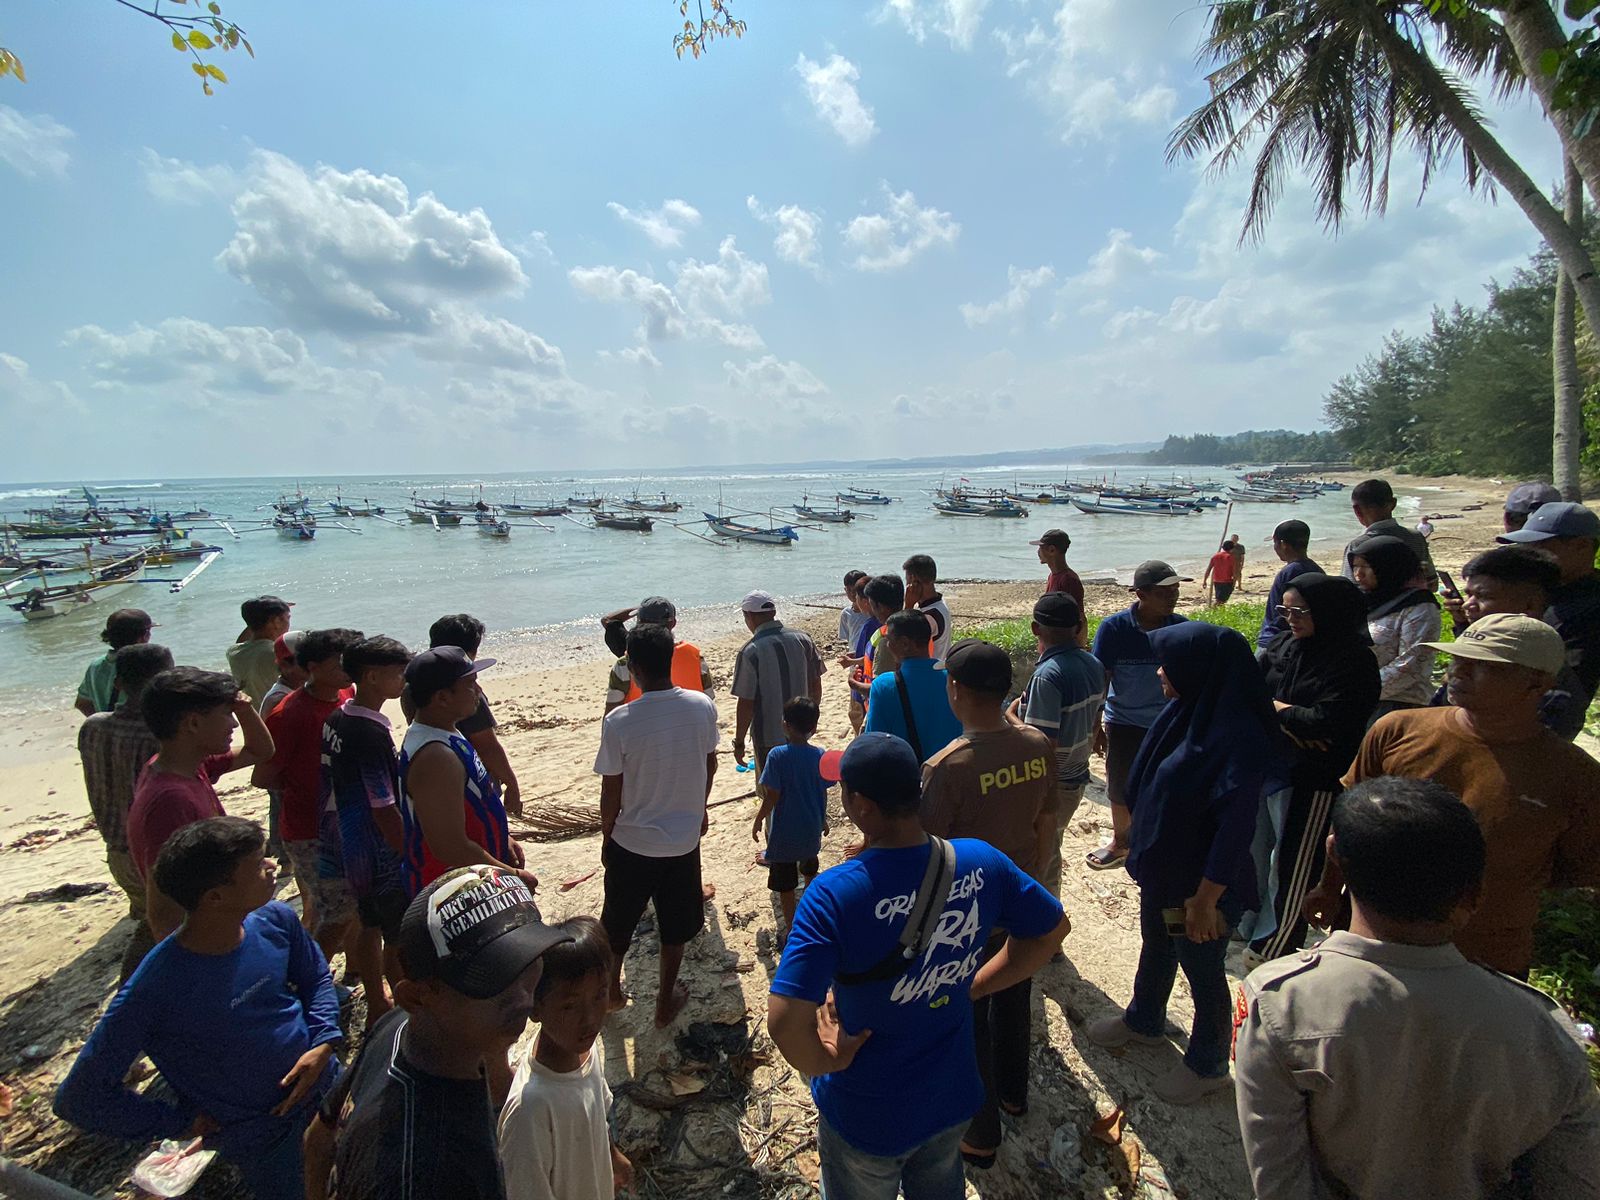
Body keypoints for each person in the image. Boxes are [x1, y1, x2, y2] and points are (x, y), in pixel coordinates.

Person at [1237, 777, 1600, 1200]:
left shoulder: (1282, 1004)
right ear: (1475, 895)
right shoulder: (1547, 1032)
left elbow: (1281, 1183)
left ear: (1333, 854)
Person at [767, 733, 1070, 1199]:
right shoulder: (980, 861)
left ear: (861, 806)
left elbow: (786, 1022)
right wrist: (973, 984)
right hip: (952, 1097)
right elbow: (1051, 931)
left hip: (869, 1113)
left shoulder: (832, 896)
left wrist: (830, 1058)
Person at [55, 817, 340, 1200]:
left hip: (332, 1089)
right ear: (214, 898)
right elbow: (80, 1097)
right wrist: (179, 1121)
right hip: (267, 1136)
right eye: (258, 864)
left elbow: (316, 979)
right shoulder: (154, 988)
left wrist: (323, 1041)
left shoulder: (276, 920)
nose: (273, 866)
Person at [1310, 614, 1600, 978]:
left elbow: (1574, 869)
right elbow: (1350, 824)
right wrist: (1327, 889)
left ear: (1536, 682)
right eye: (1457, 659)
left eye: (1482, 665)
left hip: (1485, 959)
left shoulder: (1573, 774)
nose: (1456, 672)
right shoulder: (1397, 730)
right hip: (1374, 946)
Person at [1085, 624, 1286, 1105]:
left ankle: (1209, 1063)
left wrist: (1206, 898)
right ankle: (1145, 1019)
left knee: (1202, 967)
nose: (1159, 672)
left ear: (1198, 670)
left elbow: (1235, 829)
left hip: (1201, 885)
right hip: (1166, 871)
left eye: (1168, 665)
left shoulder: (1236, 737)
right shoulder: (1187, 712)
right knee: (1157, 943)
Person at [307, 866, 572, 1200]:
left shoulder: (397, 1027)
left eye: (528, 964)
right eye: (492, 982)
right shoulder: (429, 1170)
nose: (523, 997)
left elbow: (318, 1138)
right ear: (418, 997)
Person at [920, 639, 1056, 1167]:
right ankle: (1013, 1094)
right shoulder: (1036, 743)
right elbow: (1048, 820)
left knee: (967, 1007)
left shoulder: (948, 766)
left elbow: (927, 854)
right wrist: (1036, 874)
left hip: (965, 910)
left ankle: (979, 1133)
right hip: (1020, 889)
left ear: (955, 690)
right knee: (1014, 988)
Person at [1245, 575, 1379, 962]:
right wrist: (1288, 716)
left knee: (1294, 864)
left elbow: (1326, 724)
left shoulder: (1353, 660)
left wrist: (1276, 710)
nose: (1290, 618)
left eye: (1299, 611)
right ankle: (1248, 922)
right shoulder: (1286, 643)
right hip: (1270, 764)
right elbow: (1251, 689)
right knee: (1255, 851)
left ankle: (1276, 941)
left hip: (1313, 777)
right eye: (1285, 610)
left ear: (1328, 612)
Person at [595, 624, 720, 1028]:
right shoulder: (701, 706)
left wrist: (606, 831)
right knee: (676, 926)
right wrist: (699, 807)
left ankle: (612, 992)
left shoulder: (619, 721)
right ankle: (664, 1002)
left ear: (631, 666)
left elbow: (611, 789)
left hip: (632, 841)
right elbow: (709, 763)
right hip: (683, 840)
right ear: (671, 658)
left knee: (617, 923)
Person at [129, 667, 275, 940]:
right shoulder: (170, 800)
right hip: (205, 933)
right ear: (193, 724)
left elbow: (260, 751)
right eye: (226, 714)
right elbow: (163, 908)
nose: (233, 724)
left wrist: (245, 709)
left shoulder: (190, 765)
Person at [498, 917, 633, 1200]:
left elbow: (597, 1116)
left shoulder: (585, 1049)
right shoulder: (530, 1108)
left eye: (599, 996)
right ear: (535, 1008)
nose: (589, 1018)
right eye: (569, 1006)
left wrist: (612, 1157)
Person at [321, 635, 413, 1029]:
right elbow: (384, 806)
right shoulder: (370, 733)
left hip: (345, 835)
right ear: (373, 677)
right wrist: (408, 850)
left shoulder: (337, 717)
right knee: (394, 933)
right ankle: (403, 1001)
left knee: (368, 921)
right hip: (376, 849)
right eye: (398, 674)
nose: (404, 681)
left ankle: (377, 998)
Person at [399, 647, 530, 897]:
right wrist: (512, 877)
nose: (479, 691)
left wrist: (503, 839)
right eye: (470, 684)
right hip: (454, 891)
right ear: (442, 698)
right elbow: (450, 847)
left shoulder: (446, 732)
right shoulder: (435, 757)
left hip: (476, 875)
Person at [258, 628, 363, 938]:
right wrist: (310, 785)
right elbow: (264, 776)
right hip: (310, 830)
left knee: (358, 906)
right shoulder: (288, 713)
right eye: (339, 664)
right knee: (332, 914)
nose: (348, 671)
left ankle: (356, 970)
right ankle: (311, 976)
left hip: (348, 820)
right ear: (313, 668)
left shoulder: (346, 694)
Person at [78, 643, 175, 979]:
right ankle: (132, 998)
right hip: (154, 853)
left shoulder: (93, 726)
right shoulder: (161, 737)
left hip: (117, 851)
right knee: (166, 933)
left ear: (118, 683)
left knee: (152, 925)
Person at [1085, 560, 1189, 871]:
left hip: (1168, 720)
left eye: (1175, 590)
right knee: (1120, 785)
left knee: (1167, 783)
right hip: (1124, 720)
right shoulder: (1114, 628)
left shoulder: (1180, 627)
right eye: (1164, 592)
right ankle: (1122, 842)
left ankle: (1160, 839)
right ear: (1141, 594)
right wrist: (1095, 724)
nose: (1173, 597)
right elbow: (1101, 677)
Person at [1436, 545, 1586, 738]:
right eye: (1468, 594)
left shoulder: (1551, 691)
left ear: (1529, 605)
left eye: (1483, 596)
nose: (1467, 604)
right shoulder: (1476, 655)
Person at [1013, 593, 1106, 894]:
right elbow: (1094, 719)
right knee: (1052, 844)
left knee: (1042, 857)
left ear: (1035, 629)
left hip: (1050, 783)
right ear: (1078, 626)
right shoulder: (1092, 663)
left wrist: (1011, 718)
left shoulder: (1048, 676)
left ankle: (1045, 926)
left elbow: (1042, 744)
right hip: (1076, 775)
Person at [1499, 500, 1600, 731]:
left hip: (1545, 719)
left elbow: (1572, 683)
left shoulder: (1589, 606)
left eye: (1540, 547)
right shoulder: (1543, 592)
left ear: (1582, 546)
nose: (1530, 557)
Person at [424, 614, 524, 817]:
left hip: (436, 782)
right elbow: (487, 745)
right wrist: (511, 785)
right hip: (473, 782)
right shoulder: (465, 694)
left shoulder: (415, 684)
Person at [752, 696, 831, 936]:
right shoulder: (820, 755)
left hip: (785, 834)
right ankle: (810, 914)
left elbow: (772, 796)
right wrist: (822, 818)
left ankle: (790, 927)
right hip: (810, 829)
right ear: (814, 728)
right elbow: (821, 792)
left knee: (785, 885)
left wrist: (758, 819)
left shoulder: (777, 756)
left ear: (785, 724)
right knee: (809, 873)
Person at [732, 590, 824, 773]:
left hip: (768, 736)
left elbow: (746, 703)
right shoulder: (803, 640)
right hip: (801, 730)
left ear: (748, 616)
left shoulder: (750, 651)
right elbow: (816, 686)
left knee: (773, 792)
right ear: (773, 613)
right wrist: (811, 721)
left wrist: (739, 742)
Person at [1349, 536, 1441, 716]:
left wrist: (1359, 691)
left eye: (1366, 567)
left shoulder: (1419, 608)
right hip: (1356, 698)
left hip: (1399, 705)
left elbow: (1410, 665)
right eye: (1355, 567)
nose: (1358, 574)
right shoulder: (1364, 600)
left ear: (1388, 566)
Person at [862, 610, 962, 763]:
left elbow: (875, 743)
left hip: (908, 777)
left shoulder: (883, 685)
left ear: (904, 644)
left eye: (889, 640)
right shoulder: (954, 679)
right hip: (951, 771)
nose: (888, 645)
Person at [600, 596, 714, 713]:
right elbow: (709, 699)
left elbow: (611, 714)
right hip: (688, 722)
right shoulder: (696, 659)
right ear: (673, 623)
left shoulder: (625, 664)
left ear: (639, 622)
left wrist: (640, 609)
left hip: (641, 725)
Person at [258, 630, 307, 858]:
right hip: (285, 775)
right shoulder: (280, 699)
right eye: (305, 661)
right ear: (285, 666)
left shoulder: (300, 690)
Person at [1341, 478, 1437, 588]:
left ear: (1357, 510)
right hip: (1414, 601)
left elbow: (1348, 590)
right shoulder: (1416, 537)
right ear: (1393, 504)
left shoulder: (1358, 546)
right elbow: (1432, 583)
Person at [75, 608, 154, 716]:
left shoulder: (95, 666)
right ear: (144, 636)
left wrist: (104, 722)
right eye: (149, 632)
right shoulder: (149, 665)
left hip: (109, 730)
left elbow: (82, 704)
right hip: (139, 730)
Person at [1257, 519, 1322, 645]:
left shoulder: (1289, 572)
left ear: (1283, 544)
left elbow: (1279, 616)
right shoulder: (1317, 570)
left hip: (1275, 639)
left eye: (1275, 543)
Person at [848, 574, 905, 714]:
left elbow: (881, 689)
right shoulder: (911, 626)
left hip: (883, 710)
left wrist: (853, 683)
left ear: (881, 606)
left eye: (872, 603)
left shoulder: (887, 640)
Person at [227, 595, 295, 705]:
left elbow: (241, 642)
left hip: (255, 716)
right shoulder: (279, 653)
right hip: (279, 714)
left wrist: (258, 618)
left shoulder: (233, 653)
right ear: (276, 622)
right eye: (288, 617)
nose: (288, 623)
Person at [837, 582, 881, 736]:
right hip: (869, 680)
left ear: (865, 601)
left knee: (857, 716)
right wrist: (855, 656)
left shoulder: (870, 625)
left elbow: (871, 657)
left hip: (863, 680)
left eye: (856, 597)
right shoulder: (880, 623)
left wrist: (851, 662)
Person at [902, 554, 952, 663]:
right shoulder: (940, 603)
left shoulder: (929, 616)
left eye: (907, 581)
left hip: (929, 671)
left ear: (914, 581)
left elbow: (901, 636)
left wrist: (908, 605)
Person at [1031, 528, 1084, 608]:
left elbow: (1076, 613)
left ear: (1052, 550)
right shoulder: (1052, 575)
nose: (1038, 552)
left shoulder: (1068, 579)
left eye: (1041, 548)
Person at [1202, 538, 1239, 604]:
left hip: (1216, 581)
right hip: (1227, 581)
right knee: (1221, 601)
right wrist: (1234, 583)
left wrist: (1205, 580)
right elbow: (1235, 572)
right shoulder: (1231, 557)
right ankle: (1213, 611)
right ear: (1232, 548)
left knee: (1220, 599)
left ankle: (1218, 612)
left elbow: (1208, 569)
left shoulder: (1215, 556)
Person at [839, 570, 871, 645]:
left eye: (855, 590)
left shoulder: (872, 611)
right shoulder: (846, 613)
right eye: (849, 590)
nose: (852, 593)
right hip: (854, 653)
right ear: (845, 590)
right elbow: (847, 637)